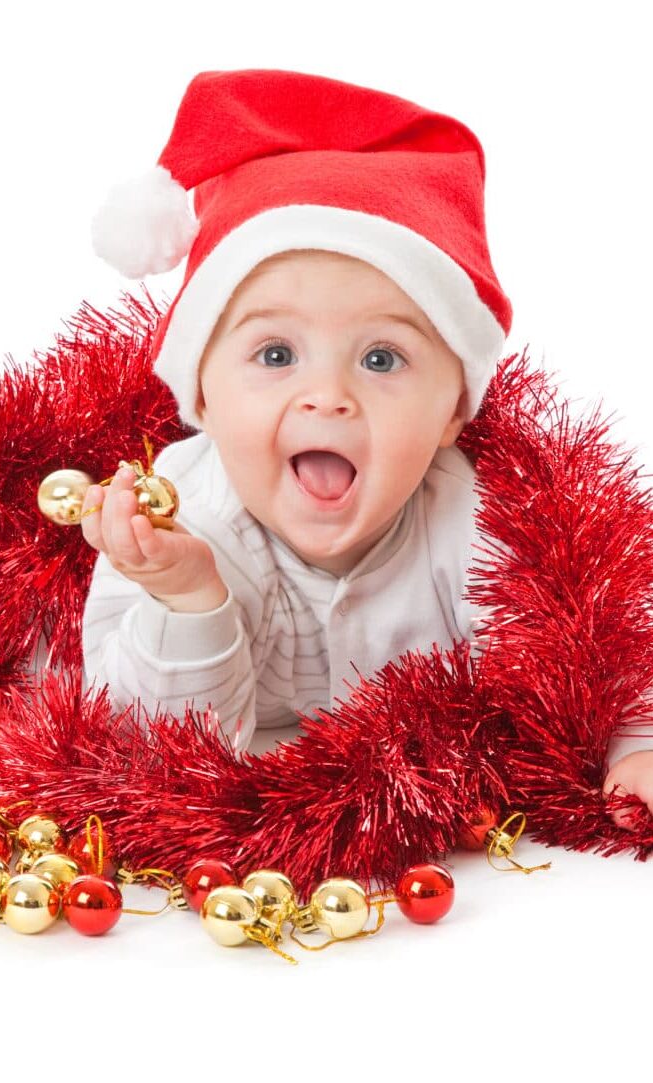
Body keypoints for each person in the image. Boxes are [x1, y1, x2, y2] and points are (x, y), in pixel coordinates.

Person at [80, 68, 653, 828]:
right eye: (276, 354)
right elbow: (148, 755)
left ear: (454, 409)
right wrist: (188, 597)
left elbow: (600, 630)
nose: (328, 396)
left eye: (382, 358)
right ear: (204, 399)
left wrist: (635, 740)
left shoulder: (477, 520)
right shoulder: (177, 524)